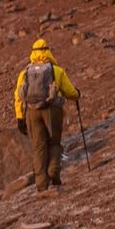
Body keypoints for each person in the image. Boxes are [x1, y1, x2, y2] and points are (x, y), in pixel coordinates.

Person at [13, 38, 80, 192]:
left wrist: (20, 117)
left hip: (32, 112)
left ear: (33, 53)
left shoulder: (25, 73)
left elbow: (18, 97)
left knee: (38, 147)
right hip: (52, 111)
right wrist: (77, 94)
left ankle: (41, 184)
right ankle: (53, 171)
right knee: (54, 142)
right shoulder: (56, 70)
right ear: (48, 51)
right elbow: (69, 91)